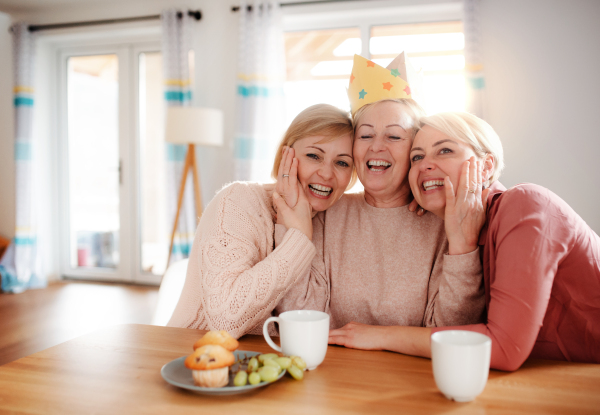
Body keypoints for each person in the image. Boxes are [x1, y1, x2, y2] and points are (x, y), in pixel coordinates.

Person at [330, 111, 600, 371]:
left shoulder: (525, 205)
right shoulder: (455, 225)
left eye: (445, 150)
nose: (425, 164)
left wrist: (380, 337)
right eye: (417, 157)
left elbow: (504, 348)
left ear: (486, 166)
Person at [277, 98, 487, 329]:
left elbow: (450, 330)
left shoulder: (445, 222)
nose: (376, 147)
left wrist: (462, 249)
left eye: (394, 136)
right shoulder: (325, 213)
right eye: (365, 136)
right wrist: (293, 232)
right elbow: (301, 320)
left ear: (413, 151)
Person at [167, 104, 356, 338]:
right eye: (314, 156)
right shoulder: (237, 201)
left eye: (342, 163)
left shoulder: (331, 219)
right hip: (191, 355)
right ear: (285, 155)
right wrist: (298, 237)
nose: (327, 174)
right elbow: (224, 319)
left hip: (264, 365)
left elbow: (307, 322)